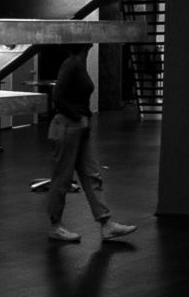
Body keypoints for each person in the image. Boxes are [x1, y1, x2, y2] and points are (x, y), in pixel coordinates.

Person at [46, 43, 137, 244]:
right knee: (62, 178)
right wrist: (78, 117)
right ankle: (55, 226)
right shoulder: (70, 65)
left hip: (79, 128)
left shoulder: (79, 64)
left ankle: (106, 224)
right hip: (68, 126)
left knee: (92, 174)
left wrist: (83, 120)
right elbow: (58, 98)